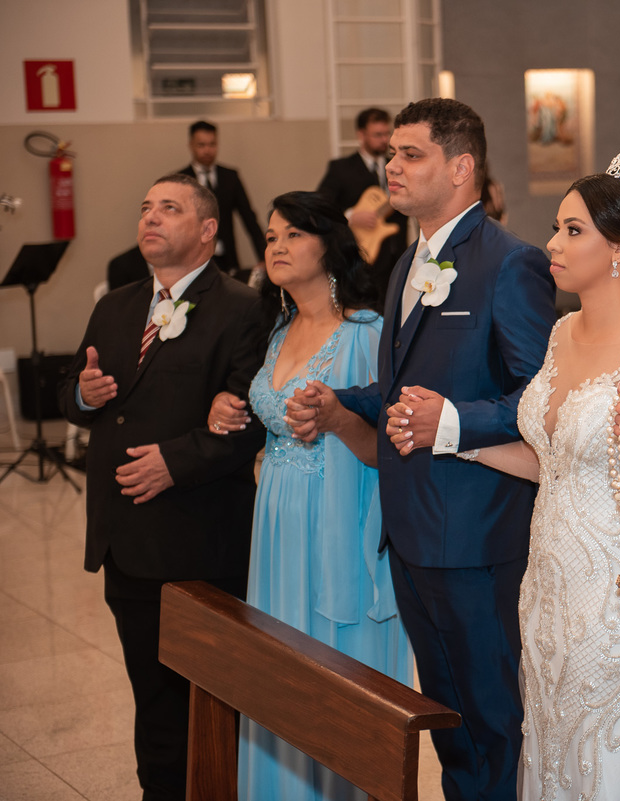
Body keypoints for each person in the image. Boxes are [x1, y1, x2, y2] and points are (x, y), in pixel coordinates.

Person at [287, 98, 557, 801]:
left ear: (462, 167)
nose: (391, 166)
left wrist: (455, 423)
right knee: (446, 715)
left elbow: (542, 399)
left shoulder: (511, 263)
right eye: (391, 153)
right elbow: (405, 383)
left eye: (412, 154)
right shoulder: (408, 259)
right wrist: (344, 401)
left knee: (496, 716)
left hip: (476, 532)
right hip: (409, 528)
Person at [460, 153, 620, 801]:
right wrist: (459, 444)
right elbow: (553, 461)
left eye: (574, 230)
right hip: (548, 583)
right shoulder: (560, 332)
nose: (552, 243)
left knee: (611, 759)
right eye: (556, 226)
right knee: (551, 744)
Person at [58, 174, 267, 800]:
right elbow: (76, 387)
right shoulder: (115, 304)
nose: (150, 218)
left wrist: (175, 462)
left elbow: (251, 417)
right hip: (127, 541)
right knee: (151, 706)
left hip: (201, 538)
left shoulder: (242, 307)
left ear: (208, 230)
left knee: (209, 706)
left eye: (169, 209)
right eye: (146, 207)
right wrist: (81, 393)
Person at [206, 191, 410, 800]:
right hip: (275, 521)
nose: (277, 246)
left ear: (329, 244)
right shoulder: (279, 328)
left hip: (336, 521)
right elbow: (268, 416)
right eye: (270, 236)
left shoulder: (366, 333)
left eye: (293, 234)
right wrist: (230, 411)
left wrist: (339, 417)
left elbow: (387, 447)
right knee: (279, 672)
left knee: (331, 675)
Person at [316, 107, 409, 298]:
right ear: (361, 134)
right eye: (377, 134)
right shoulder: (341, 169)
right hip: (360, 257)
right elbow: (321, 205)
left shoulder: (400, 166)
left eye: (386, 134)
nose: (384, 139)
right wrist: (350, 216)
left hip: (396, 255)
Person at [179, 120, 267, 275]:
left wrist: (264, 256)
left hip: (227, 257)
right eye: (201, 145)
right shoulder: (181, 179)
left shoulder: (230, 176)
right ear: (191, 145)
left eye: (212, 144)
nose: (207, 150)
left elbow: (249, 218)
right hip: (192, 257)